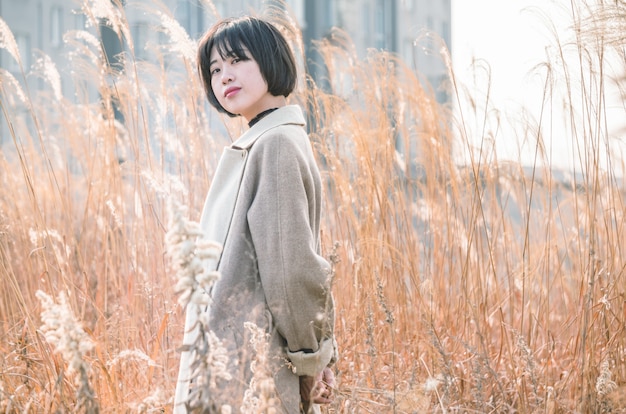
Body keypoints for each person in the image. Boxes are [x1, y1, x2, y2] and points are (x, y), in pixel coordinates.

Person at [174, 15, 338, 414]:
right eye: (215, 69)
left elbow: (291, 270)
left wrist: (311, 358)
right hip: (239, 366)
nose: (224, 75)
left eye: (237, 60)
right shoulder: (265, 141)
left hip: (253, 373)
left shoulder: (275, 145)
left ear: (270, 60)